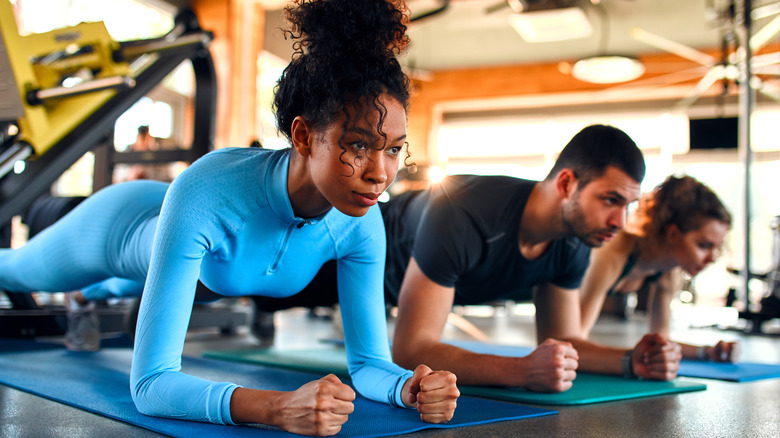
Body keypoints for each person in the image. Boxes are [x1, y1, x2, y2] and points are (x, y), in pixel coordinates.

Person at [0, 0, 459, 435]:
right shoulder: (209, 192)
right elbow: (151, 384)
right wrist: (277, 407)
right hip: (121, 224)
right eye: (358, 145)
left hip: (199, 261)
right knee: (15, 270)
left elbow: (368, 365)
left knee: (153, 282)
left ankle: (85, 297)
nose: (380, 173)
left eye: (394, 149)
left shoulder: (360, 224)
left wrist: (407, 387)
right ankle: (79, 288)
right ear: (302, 136)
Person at [251, 124, 682, 391]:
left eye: (627, 205)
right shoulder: (465, 209)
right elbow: (411, 349)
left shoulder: (573, 241)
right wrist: (520, 372)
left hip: (384, 287)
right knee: (247, 285)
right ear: (567, 183)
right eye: (610, 200)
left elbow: (563, 342)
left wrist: (631, 360)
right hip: (347, 251)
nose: (619, 220)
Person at [579, 175, 738, 362]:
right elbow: (572, 341)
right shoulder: (613, 253)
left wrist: (708, 352)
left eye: (717, 247)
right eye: (703, 245)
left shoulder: (668, 271)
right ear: (672, 234)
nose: (712, 258)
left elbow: (661, 343)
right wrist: (633, 361)